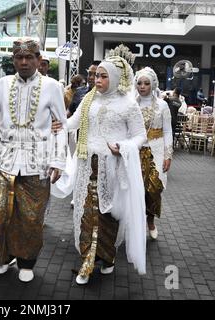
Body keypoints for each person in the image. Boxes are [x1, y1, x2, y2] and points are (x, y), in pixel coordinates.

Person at [0, 38, 67, 283]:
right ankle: (4, 256)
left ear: (39, 59)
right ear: (13, 60)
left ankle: (26, 261)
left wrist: (59, 160)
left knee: (30, 216)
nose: (24, 62)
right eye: (19, 57)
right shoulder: (3, 83)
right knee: (1, 212)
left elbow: (60, 126)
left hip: (36, 161)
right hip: (6, 160)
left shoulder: (51, 86)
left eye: (29, 57)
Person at [63, 56, 147, 285]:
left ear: (116, 78)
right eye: (95, 75)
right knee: (87, 212)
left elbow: (141, 135)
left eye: (103, 76)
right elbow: (73, 123)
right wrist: (56, 123)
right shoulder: (89, 99)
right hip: (87, 163)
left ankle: (107, 258)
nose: (97, 80)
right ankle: (87, 261)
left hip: (113, 167)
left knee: (108, 215)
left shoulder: (128, 104)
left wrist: (124, 147)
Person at [135, 67, 173, 240]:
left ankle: (150, 220)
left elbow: (168, 131)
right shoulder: (132, 104)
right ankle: (135, 223)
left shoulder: (162, 105)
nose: (142, 86)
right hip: (135, 151)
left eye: (146, 83)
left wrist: (168, 155)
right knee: (135, 189)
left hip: (156, 150)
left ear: (153, 84)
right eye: (139, 83)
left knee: (153, 188)